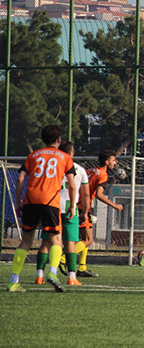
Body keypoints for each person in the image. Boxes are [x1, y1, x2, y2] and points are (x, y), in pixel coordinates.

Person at [6, 124, 75, 292]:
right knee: (56, 240)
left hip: (30, 200)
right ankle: (52, 272)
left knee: (26, 241)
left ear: (43, 140)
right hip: (50, 200)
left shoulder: (33, 155)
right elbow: (72, 185)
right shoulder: (65, 157)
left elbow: (20, 179)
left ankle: (13, 280)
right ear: (59, 140)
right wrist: (72, 206)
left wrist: (18, 202)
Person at [35, 141, 89, 287]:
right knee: (70, 243)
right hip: (70, 209)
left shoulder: (52, 168)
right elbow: (85, 195)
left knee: (46, 242)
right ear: (71, 153)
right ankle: (72, 277)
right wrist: (84, 211)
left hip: (51, 207)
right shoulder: (80, 170)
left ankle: (39, 275)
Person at [77, 149, 123, 277]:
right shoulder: (103, 174)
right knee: (89, 240)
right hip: (82, 207)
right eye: (114, 160)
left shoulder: (90, 171)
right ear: (107, 162)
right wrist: (115, 205)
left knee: (85, 238)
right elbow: (99, 194)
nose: (116, 162)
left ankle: (82, 267)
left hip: (76, 205)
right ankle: (63, 257)